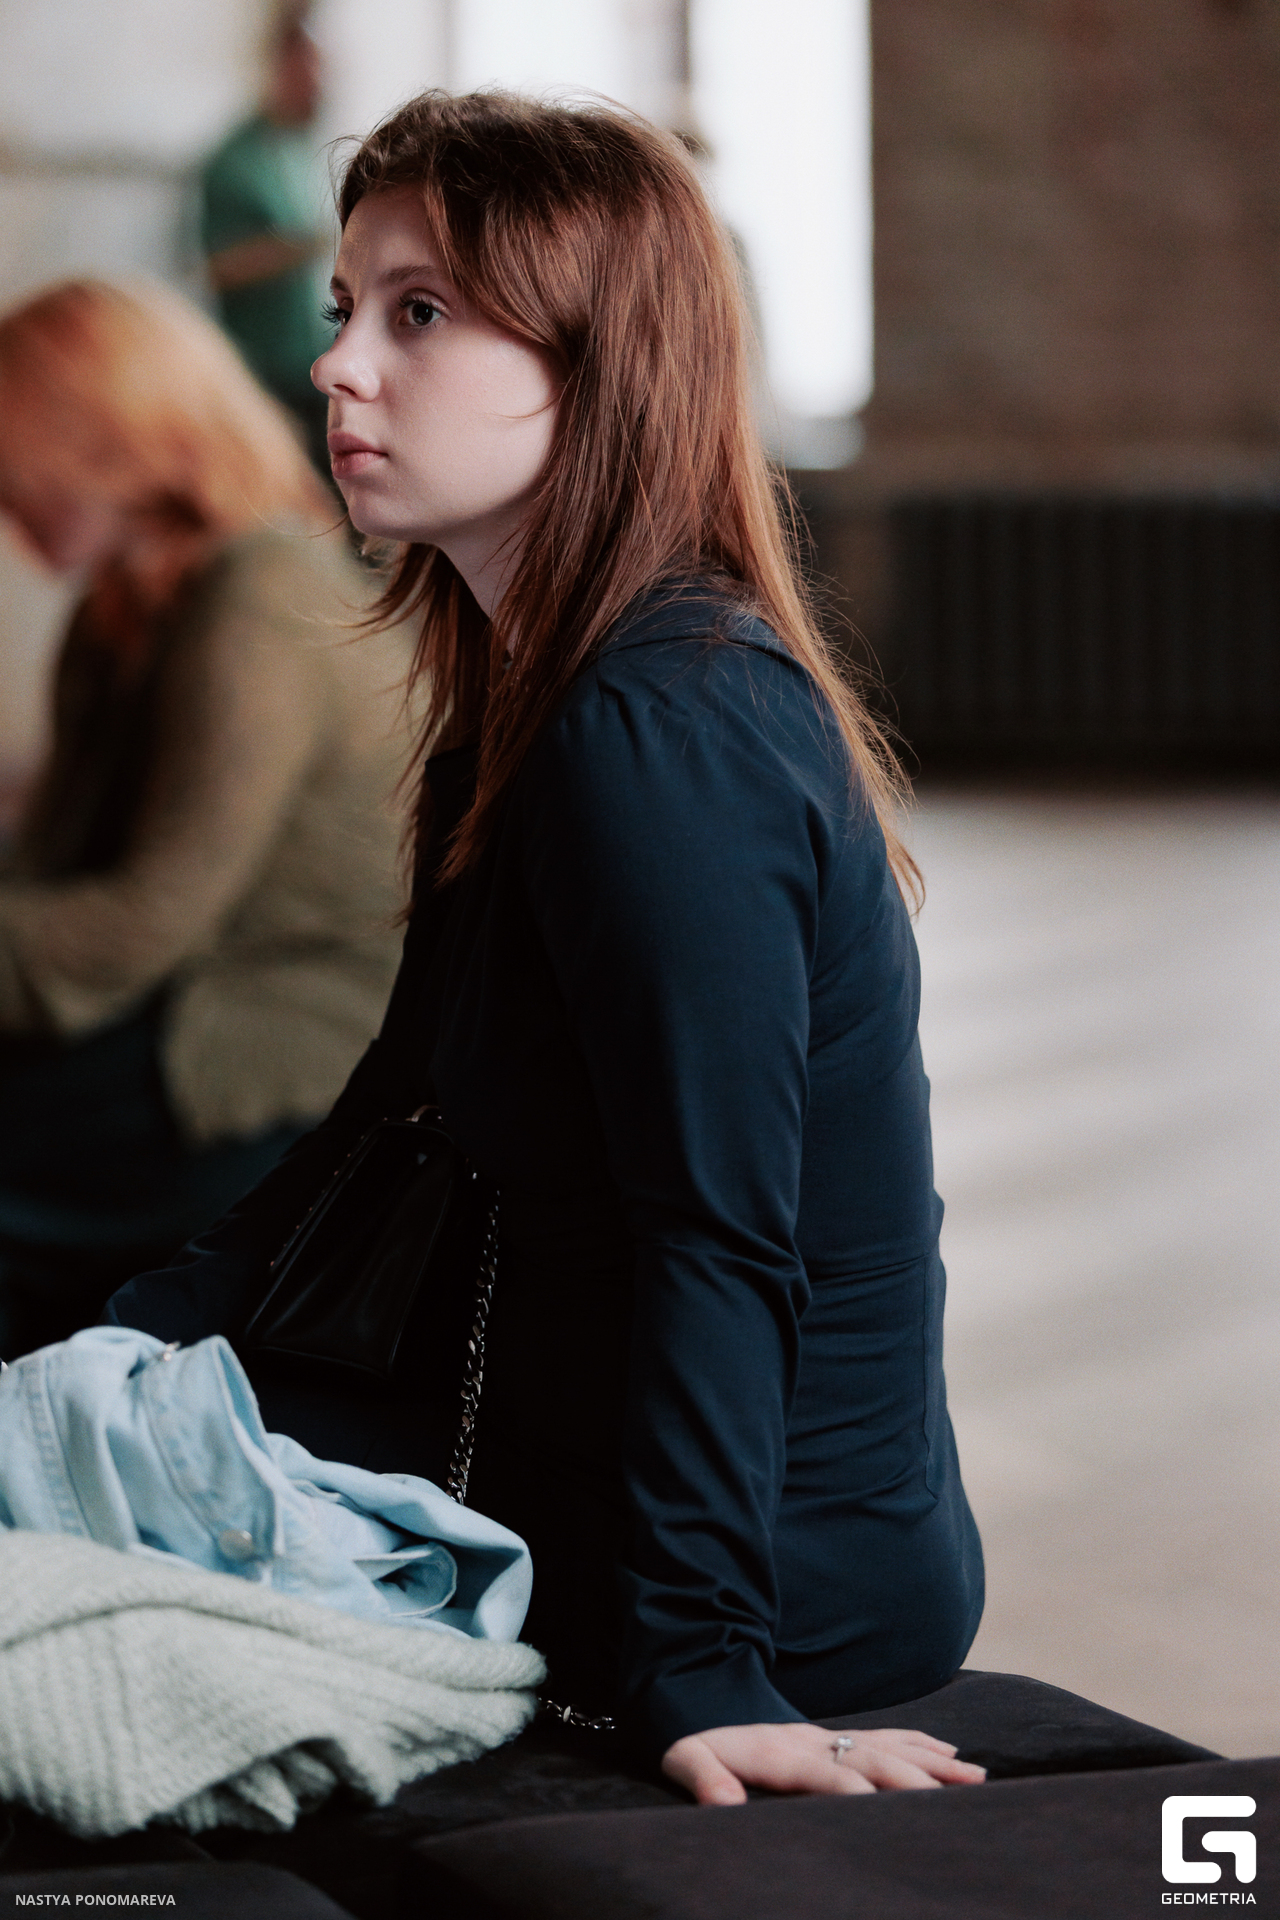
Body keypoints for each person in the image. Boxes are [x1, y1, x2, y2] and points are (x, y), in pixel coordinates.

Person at [105, 92, 986, 1807]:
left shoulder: (663, 731)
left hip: (767, 1575)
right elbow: (388, 1116)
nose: (338, 364)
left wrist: (701, 1666)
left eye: (420, 312)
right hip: (559, 1429)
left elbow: (723, 1231)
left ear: (598, 366)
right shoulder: (531, 702)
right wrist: (133, 1343)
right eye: (348, 306)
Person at [0, 277, 411, 1358]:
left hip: (261, 1060)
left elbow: (139, 922)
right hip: (164, 1018)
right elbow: (47, 870)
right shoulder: (122, 611)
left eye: (16, 457)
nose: (8, 496)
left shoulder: (262, 590)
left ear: (101, 438)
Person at [200, 1, 331, 470]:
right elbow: (216, 269)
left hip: (313, 364)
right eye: (309, 70)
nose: (320, 84)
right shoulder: (235, 160)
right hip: (263, 371)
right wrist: (293, 250)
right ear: (280, 68)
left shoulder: (301, 151)